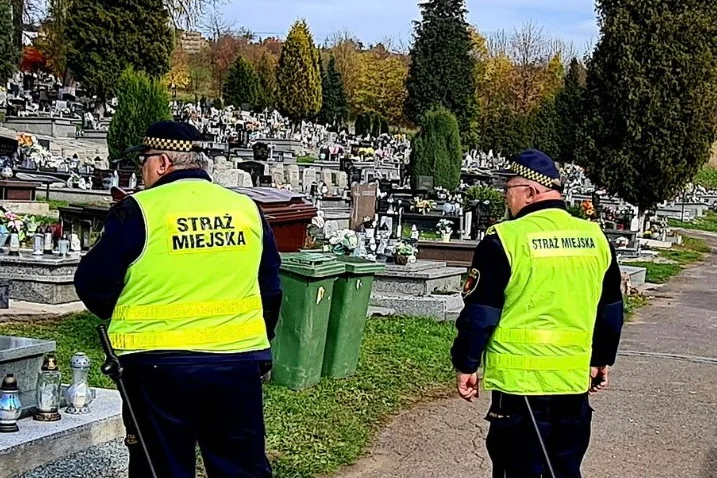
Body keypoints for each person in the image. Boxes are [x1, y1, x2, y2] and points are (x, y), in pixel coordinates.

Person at [74, 121, 282, 477]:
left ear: (162, 163)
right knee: (241, 468)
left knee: (162, 468)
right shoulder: (245, 209)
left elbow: (93, 285)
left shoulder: (138, 210)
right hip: (237, 365)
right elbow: (271, 287)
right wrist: (260, 345)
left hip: (157, 367)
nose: (142, 172)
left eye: (143, 163)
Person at [451, 149, 624, 478]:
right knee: (564, 470)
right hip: (573, 385)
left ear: (530, 192)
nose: (506, 198)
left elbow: (482, 314)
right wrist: (601, 360)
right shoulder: (596, 239)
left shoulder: (505, 239)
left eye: (509, 190)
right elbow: (611, 310)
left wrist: (466, 363)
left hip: (521, 389)